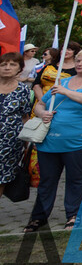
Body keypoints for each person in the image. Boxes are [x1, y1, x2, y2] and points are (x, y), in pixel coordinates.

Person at [23, 45, 82, 232]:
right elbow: (41, 104)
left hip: (79, 141)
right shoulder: (63, 81)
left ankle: (74, 215)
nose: (79, 63)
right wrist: (42, 113)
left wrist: (66, 92)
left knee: (76, 179)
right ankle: (39, 217)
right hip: (50, 140)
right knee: (47, 180)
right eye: (78, 60)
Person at [1, 52, 32, 200]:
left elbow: (25, 116)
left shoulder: (23, 90)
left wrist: (26, 141)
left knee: (3, 177)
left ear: (20, 68)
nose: (7, 68)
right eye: (3, 64)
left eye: (12, 64)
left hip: (10, 143)